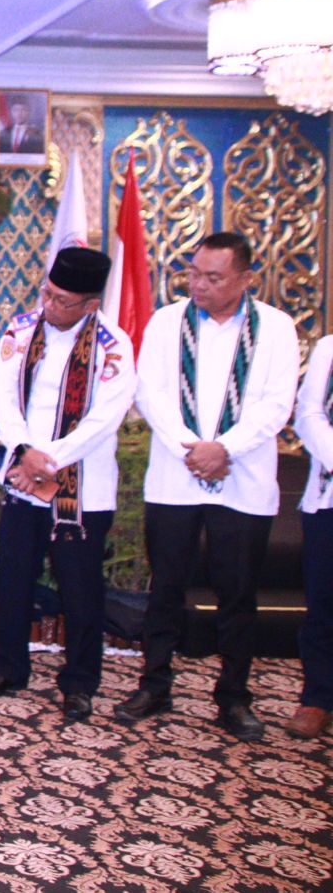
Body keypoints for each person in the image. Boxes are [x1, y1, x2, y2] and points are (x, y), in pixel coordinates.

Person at [113, 232, 298, 741]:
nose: (199, 284)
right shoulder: (166, 321)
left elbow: (277, 404)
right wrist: (191, 450)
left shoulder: (276, 328)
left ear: (245, 278)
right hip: (174, 479)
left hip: (242, 480)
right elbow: (149, 393)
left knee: (237, 593)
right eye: (194, 273)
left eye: (213, 277)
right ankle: (155, 684)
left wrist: (225, 449)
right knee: (165, 588)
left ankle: (233, 697)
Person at [0, 247, 135, 721]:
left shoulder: (113, 346)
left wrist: (51, 460)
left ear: (90, 304)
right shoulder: (21, 330)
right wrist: (24, 450)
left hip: (81, 488)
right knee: (14, 579)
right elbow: (3, 394)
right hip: (23, 478)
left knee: (80, 590)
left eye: (62, 300)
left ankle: (80, 682)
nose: (49, 305)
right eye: (47, 293)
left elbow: (105, 419)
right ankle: (9, 669)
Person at [288, 333, 333, 740]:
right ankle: (318, 697)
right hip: (329, 497)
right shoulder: (329, 349)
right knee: (324, 603)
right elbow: (309, 414)